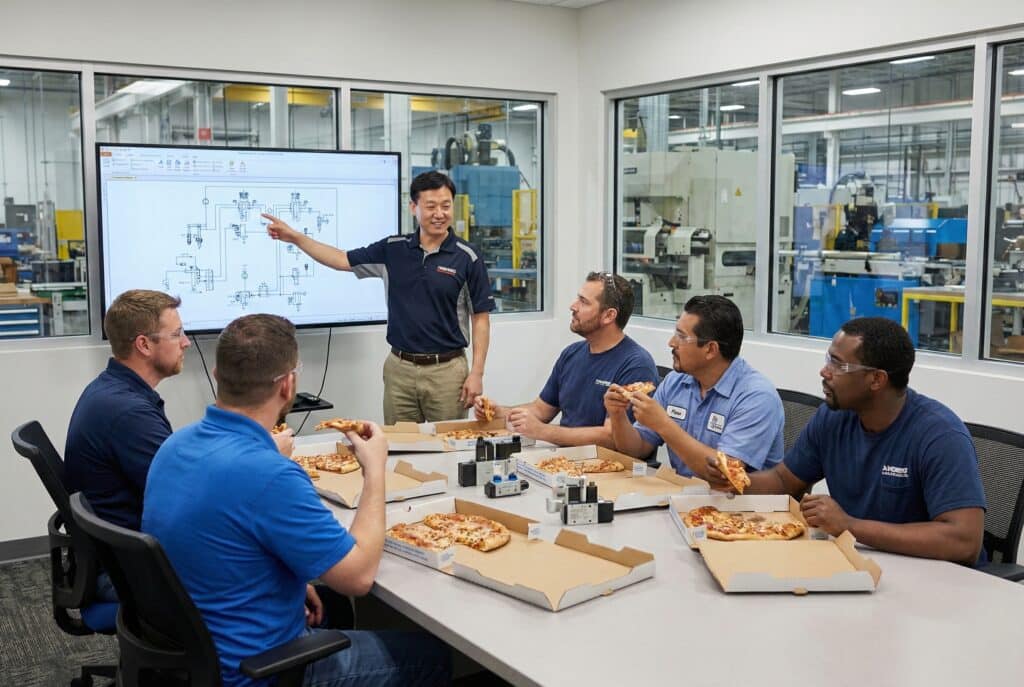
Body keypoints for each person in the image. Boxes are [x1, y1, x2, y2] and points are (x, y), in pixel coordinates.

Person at [142, 314, 450, 687]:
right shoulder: (270, 475)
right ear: (288, 385)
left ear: (219, 377)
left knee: (335, 608)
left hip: (196, 650)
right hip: (258, 669)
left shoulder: (175, 445)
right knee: (437, 656)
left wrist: (292, 582)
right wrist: (375, 472)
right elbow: (358, 577)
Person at [706, 317, 986, 565]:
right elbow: (784, 481)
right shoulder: (833, 416)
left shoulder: (939, 436)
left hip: (935, 582)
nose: (824, 372)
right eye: (828, 359)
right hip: (858, 562)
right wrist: (735, 480)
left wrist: (850, 525)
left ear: (876, 380)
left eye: (838, 365)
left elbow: (964, 542)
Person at [263, 170, 494, 424]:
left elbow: (480, 318)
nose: (439, 214)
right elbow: (342, 259)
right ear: (413, 207)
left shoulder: (468, 256)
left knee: (449, 446)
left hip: (448, 371)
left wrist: (477, 373)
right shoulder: (393, 249)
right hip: (399, 369)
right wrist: (296, 238)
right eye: (430, 206)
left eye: (445, 206)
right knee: (399, 446)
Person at [606, 295, 784, 478]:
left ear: (710, 349)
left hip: (739, 503)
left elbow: (727, 473)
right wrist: (618, 415)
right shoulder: (675, 381)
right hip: (682, 496)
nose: (671, 343)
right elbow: (637, 449)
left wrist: (664, 425)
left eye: (681, 337)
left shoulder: (757, 397)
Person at [473, 272, 658, 447]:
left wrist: (544, 432)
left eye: (583, 302)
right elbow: (540, 410)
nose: (573, 306)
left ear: (609, 315)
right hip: (567, 460)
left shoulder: (636, 365)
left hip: (607, 467)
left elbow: (612, 437)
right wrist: (499, 412)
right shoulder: (572, 354)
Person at [64, 289, 193, 531]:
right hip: (140, 554)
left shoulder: (111, 390)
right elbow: (187, 494)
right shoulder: (128, 414)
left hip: (123, 541)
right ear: (144, 344)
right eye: (176, 335)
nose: (186, 343)